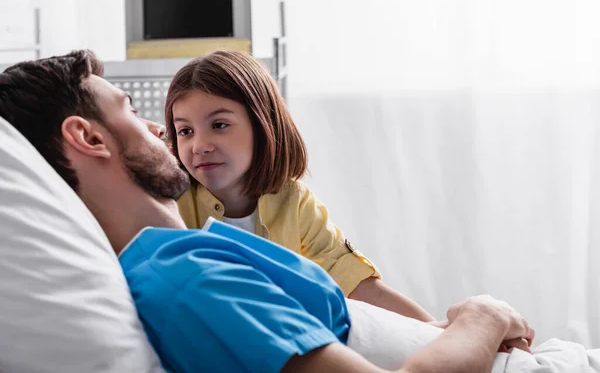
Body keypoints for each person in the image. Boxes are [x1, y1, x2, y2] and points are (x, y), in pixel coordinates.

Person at [0, 50, 535, 373]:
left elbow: (358, 289)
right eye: (134, 113)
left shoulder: (197, 253)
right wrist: (482, 317)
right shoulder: (185, 279)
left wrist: (451, 330)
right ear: (89, 138)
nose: (165, 133)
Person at [165, 50, 433, 322]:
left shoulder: (296, 203)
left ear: (263, 125)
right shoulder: (170, 205)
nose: (199, 146)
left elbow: (355, 282)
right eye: (185, 131)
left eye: (219, 125)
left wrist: (436, 332)